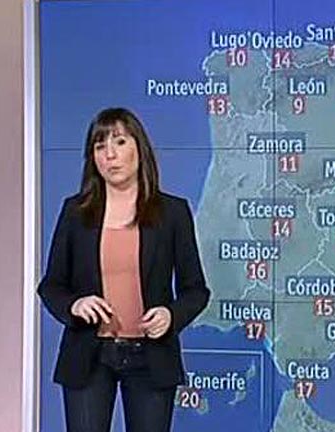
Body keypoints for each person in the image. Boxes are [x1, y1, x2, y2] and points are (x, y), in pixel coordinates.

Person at [37, 107, 210, 432]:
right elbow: (51, 285)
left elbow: (196, 290)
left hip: (151, 358)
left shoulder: (172, 212)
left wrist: (171, 315)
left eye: (119, 142)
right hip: (89, 357)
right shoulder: (75, 212)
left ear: (139, 149)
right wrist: (75, 305)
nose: (110, 155)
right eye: (100, 146)